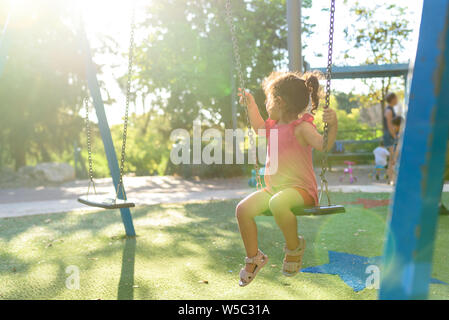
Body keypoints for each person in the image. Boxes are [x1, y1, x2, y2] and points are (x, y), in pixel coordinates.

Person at [235, 72, 338, 286]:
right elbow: (257, 126)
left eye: (267, 100)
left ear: (279, 102)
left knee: (278, 202)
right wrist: (251, 104)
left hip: (300, 190)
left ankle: (294, 247)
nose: (266, 105)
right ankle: (254, 258)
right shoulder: (272, 127)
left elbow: (324, 145)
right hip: (275, 190)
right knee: (242, 209)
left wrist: (333, 124)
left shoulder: (302, 128)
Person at [383, 93, 398, 184]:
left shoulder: (391, 109)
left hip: (390, 135)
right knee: (392, 158)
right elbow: (389, 125)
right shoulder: (389, 110)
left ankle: (391, 179)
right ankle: (391, 179)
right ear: (392, 99)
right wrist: (395, 136)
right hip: (390, 136)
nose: (397, 100)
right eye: (396, 98)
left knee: (392, 158)